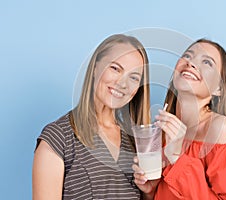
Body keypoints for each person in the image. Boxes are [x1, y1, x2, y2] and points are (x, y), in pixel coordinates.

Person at [32, 34, 151, 199]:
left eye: (133, 77)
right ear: (95, 67)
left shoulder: (134, 141)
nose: (123, 84)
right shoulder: (59, 138)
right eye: (115, 68)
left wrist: (150, 190)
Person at [133, 39, 226, 199]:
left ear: (219, 88)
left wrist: (177, 158)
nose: (191, 63)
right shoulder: (160, 130)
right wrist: (150, 191)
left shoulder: (220, 128)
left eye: (207, 62)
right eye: (188, 55)